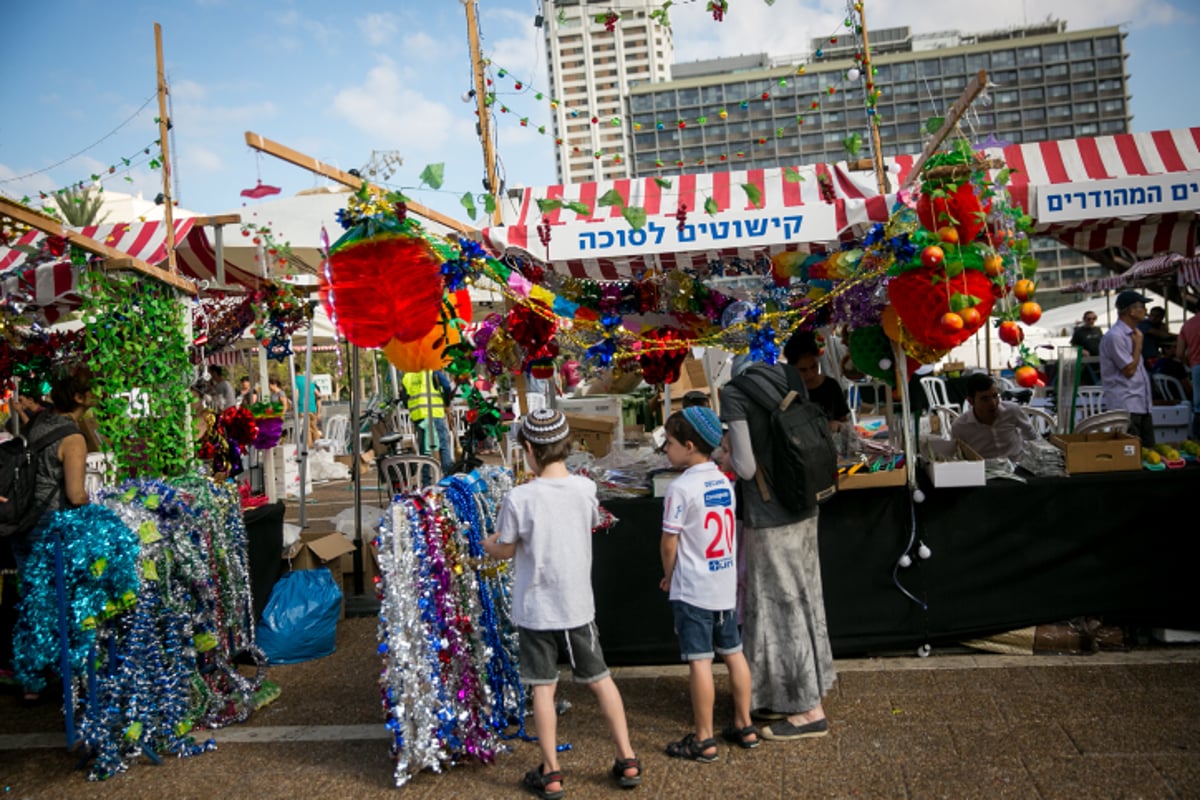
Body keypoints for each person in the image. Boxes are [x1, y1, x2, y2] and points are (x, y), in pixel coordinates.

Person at [482, 409, 641, 797]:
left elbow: (504, 549)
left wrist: (489, 545)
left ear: (529, 451)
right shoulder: (584, 488)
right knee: (600, 679)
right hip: (577, 606)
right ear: (567, 447)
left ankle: (552, 771)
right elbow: (590, 522)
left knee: (543, 688)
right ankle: (628, 757)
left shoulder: (520, 497)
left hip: (536, 609)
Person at [717, 350, 835, 742]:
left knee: (780, 608)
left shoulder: (733, 392)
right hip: (805, 503)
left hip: (769, 515)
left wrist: (724, 454)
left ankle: (808, 710)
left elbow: (747, 467)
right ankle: (784, 692)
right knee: (805, 599)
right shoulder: (790, 374)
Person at [659, 407, 757, 761]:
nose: (665, 450)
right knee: (733, 653)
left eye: (668, 443)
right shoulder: (723, 480)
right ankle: (745, 725)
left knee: (699, 661)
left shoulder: (679, 488)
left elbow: (669, 543)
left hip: (693, 589)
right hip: (723, 585)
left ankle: (704, 737)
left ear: (688, 445)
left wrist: (669, 576)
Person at [1100, 290, 1155, 447]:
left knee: (1147, 450)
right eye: (1142, 306)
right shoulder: (1115, 336)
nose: (1146, 311)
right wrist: (1138, 345)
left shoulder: (1134, 333)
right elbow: (1129, 370)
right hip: (1126, 404)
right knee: (1132, 454)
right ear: (1131, 310)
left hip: (1141, 403)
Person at [950, 373, 1039, 460]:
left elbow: (1032, 437)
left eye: (995, 396)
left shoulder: (1012, 411)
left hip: (1017, 468)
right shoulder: (960, 427)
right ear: (971, 401)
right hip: (986, 472)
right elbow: (959, 458)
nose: (993, 403)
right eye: (985, 399)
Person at [783, 330, 850, 429]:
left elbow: (844, 421)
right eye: (803, 370)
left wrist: (838, 425)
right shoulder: (786, 390)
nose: (810, 375)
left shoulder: (831, 386)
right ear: (791, 368)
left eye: (814, 366)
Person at [400, 369, 454, 476]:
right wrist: (446, 403)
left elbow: (405, 399)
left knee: (424, 450)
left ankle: (426, 481)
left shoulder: (407, 376)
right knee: (443, 446)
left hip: (419, 417)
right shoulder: (432, 372)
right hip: (434, 414)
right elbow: (447, 386)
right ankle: (448, 476)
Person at [1177, 312, 1200, 438]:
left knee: (1198, 408)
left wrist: (1191, 364)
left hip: (1197, 368)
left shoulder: (1187, 325)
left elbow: (1179, 353)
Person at [294, 374, 322, 448]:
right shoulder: (308, 381)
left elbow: (296, 393)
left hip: (302, 408)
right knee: (314, 428)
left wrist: (295, 404)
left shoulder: (295, 380)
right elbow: (319, 394)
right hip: (312, 408)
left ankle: (309, 448)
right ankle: (319, 446)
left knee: (307, 430)